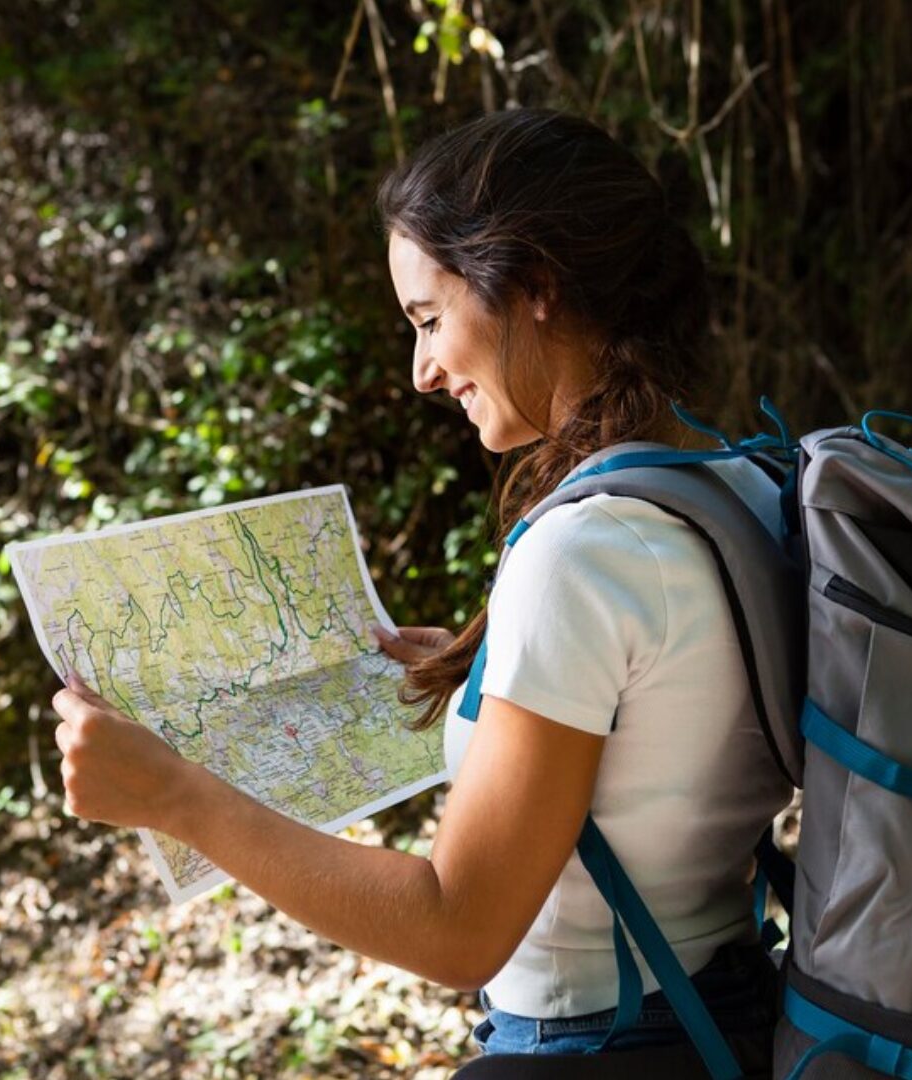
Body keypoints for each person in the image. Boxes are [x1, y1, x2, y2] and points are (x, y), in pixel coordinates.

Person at [51, 107, 791, 1067]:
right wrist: (505, 670)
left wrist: (178, 799)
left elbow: (456, 929)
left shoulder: (585, 554)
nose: (422, 371)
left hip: (600, 1047)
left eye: (432, 319)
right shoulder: (736, 488)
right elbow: (673, 720)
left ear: (533, 285)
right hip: (728, 1018)